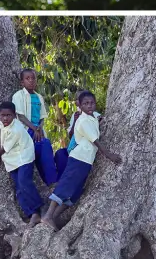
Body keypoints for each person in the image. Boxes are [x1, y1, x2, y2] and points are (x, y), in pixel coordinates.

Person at [41, 91, 122, 230]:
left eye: (92, 103)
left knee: (76, 191)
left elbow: (98, 119)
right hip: (78, 159)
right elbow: (95, 141)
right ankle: (48, 216)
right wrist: (109, 155)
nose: (89, 105)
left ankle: (54, 217)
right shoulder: (83, 120)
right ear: (80, 106)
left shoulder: (92, 118)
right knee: (66, 185)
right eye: (86, 103)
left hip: (86, 161)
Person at [0, 102, 42, 224]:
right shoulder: (4, 124)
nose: (5, 118)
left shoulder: (16, 129)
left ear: (14, 116)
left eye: (8, 115)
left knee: (24, 183)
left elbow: (4, 149)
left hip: (24, 158)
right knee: (19, 189)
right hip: (13, 160)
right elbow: (4, 135)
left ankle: (37, 210)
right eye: (2, 115)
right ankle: (30, 213)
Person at [12, 68, 57, 186]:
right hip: (27, 131)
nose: (31, 81)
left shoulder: (39, 97)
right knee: (34, 154)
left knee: (46, 149)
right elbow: (20, 116)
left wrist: (39, 128)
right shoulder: (19, 96)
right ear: (22, 83)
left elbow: (42, 117)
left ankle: (52, 181)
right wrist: (34, 129)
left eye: (33, 78)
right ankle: (48, 181)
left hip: (38, 131)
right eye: (27, 79)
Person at [55, 97, 102, 183]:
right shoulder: (75, 115)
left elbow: (98, 120)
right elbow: (70, 135)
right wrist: (75, 121)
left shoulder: (93, 114)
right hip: (73, 146)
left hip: (82, 148)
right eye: (77, 99)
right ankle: (60, 180)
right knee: (60, 154)